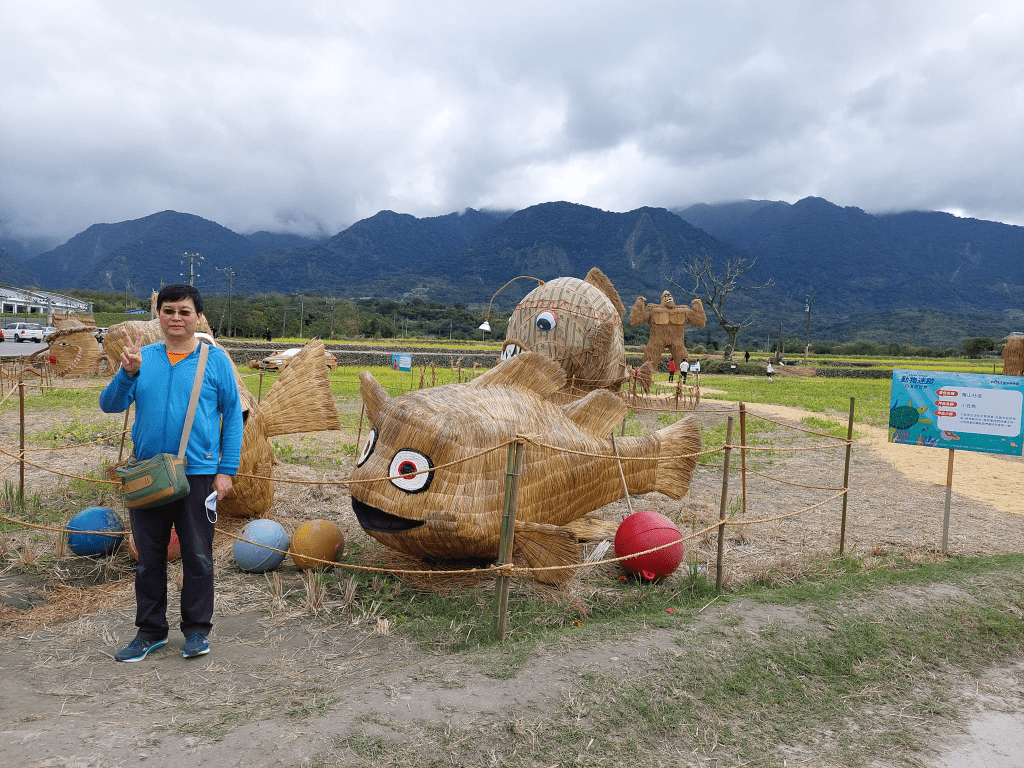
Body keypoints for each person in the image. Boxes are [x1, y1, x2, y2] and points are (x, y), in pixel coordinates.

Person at [100, 284, 243, 663]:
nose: (175, 318)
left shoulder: (215, 361)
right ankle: (149, 632)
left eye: (184, 311)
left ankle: (196, 631)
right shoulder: (141, 359)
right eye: (168, 311)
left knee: (198, 555)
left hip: (196, 474)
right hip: (149, 473)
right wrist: (127, 374)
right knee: (149, 557)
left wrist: (226, 470)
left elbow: (234, 418)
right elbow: (110, 405)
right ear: (158, 315)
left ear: (197, 316)